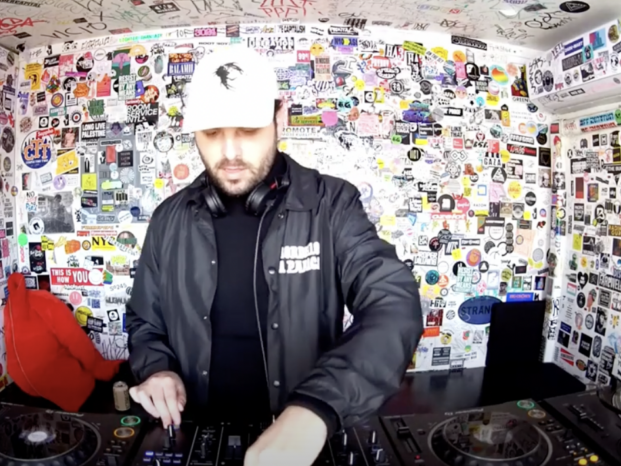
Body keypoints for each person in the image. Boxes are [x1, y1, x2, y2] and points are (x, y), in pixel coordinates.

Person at [125, 47, 422, 466]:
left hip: (305, 440)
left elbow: (393, 303)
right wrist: (157, 368)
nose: (229, 151)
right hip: (194, 434)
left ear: (280, 117)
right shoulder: (167, 218)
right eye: (212, 132)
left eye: (248, 129)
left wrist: (318, 407)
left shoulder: (332, 204)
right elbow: (144, 321)